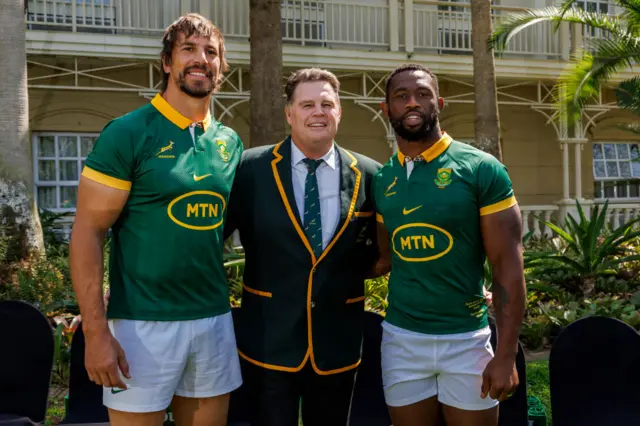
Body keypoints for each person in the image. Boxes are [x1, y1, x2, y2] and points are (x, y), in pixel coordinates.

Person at [69, 13, 243, 426]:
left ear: (220, 67)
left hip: (213, 321)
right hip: (141, 325)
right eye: (188, 49)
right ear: (167, 62)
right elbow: (88, 232)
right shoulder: (128, 132)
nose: (201, 59)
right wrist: (95, 333)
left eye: (211, 52)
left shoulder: (229, 142)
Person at [224, 67, 384, 426]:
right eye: (307, 104)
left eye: (327, 104)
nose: (318, 112)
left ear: (339, 111)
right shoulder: (249, 170)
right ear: (289, 113)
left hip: (338, 342)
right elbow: (207, 241)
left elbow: (395, 248)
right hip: (267, 340)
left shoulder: (371, 175)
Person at [372, 63, 526, 426]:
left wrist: (505, 356)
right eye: (401, 96)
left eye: (423, 95)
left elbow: (508, 267)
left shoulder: (480, 169)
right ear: (386, 109)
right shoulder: (382, 178)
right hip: (402, 340)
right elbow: (384, 259)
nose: (413, 103)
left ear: (438, 104)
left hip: (466, 339)